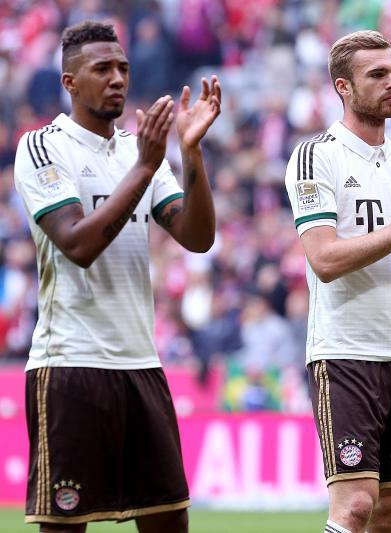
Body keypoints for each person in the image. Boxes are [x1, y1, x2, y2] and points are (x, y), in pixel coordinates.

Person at [13, 21, 221, 532]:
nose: (117, 79)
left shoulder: (138, 150)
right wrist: (145, 169)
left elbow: (197, 237)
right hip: (71, 364)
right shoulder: (43, 147)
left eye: (123, 68)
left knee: (170, 522)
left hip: (141, 364)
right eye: (102, 68)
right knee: (65, 525)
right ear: (69, 82)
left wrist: (190, 153)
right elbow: (77, 245)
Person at [284, 30, 391, 533]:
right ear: (343, 86)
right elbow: (324, 259)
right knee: (356, 505)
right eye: (377, 74)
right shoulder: (316, 156)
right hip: (344, 353)